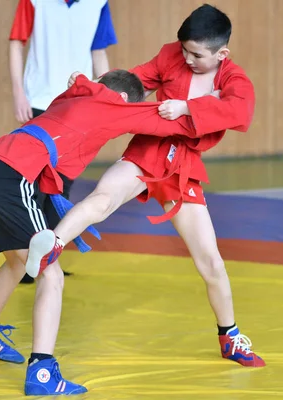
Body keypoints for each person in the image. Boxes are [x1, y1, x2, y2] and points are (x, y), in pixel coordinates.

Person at [25, 4, 265, 367]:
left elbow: (240, 113)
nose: (187, 58)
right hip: (149, 150)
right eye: (183, 50)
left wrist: (186, 107)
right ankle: (52, 244)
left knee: (211, 263)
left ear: (222, 54)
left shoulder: (235, 80)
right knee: (103, 199)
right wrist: (90, 88)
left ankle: (229, 336)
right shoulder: (172, 55)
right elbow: (132, 84)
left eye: (197, 55)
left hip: (182, 166)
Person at [0, 69, 218, 396]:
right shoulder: (113, 104)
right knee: (50, 274)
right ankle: (41, 373)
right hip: (15, 176)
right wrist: (213, 104)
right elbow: (170, 121)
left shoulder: (74, 96)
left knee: (18, 261)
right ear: (124, 99)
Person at [9, 0, 117, 283]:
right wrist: (19, 93)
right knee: (32, 183)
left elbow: (99, 52)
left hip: (77, 104)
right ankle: (25, 260)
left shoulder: (98, 3)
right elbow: (16, 43)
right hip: (39, 101)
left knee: (62, 183)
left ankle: (47, 257)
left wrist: (105, 96)